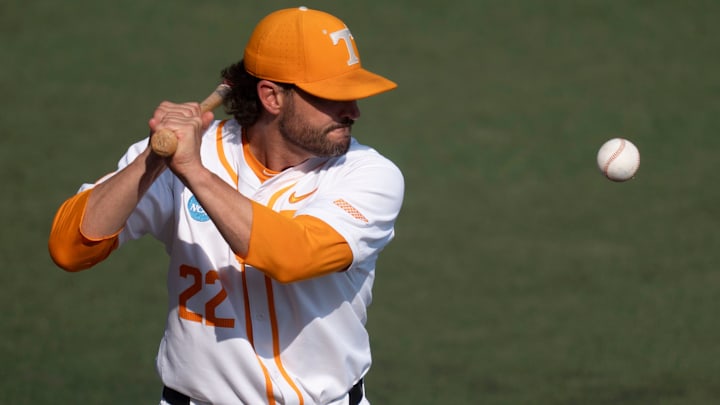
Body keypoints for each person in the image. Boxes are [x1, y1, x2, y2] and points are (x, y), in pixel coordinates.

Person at [48, 6, 404, 405]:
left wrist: (193, 173)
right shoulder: (180, 155)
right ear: (271, 96)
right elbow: (70, 248)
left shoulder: (368, 174)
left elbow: (295, 256)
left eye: (352, 95)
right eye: (332, 97)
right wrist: (152, 160)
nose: (353, 111)